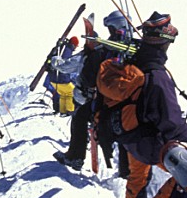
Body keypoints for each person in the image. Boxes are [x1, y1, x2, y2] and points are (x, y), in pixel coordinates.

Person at [110, 12, 187, 198]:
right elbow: (171, 122)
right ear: (164, 43)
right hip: (153, 142)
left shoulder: (134, 63)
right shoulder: (158, 76)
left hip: (132, 136)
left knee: (137, 176)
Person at [54, 9, 131, 171]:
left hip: (103, 100)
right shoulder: (129, 49)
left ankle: (75, 157)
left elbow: (73, 67)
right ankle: (122, 171)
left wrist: (56, 62)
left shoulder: (105, 50)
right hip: (126, 100)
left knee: (80, 117)